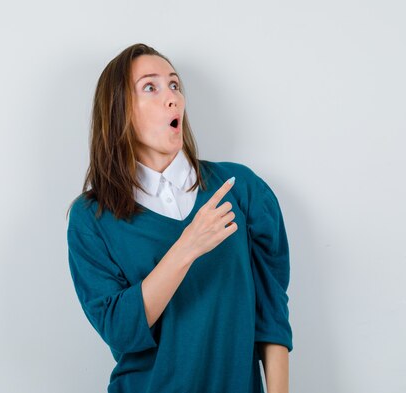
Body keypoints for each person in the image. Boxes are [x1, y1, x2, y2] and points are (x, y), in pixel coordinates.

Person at [66, 43, 293, 393]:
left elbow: (272, 314)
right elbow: (120, 331)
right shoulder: (91, 218)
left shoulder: (240, 188)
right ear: (119, 110)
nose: (172, 97)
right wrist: (188, 246)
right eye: (150, 87)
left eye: (174, 85)